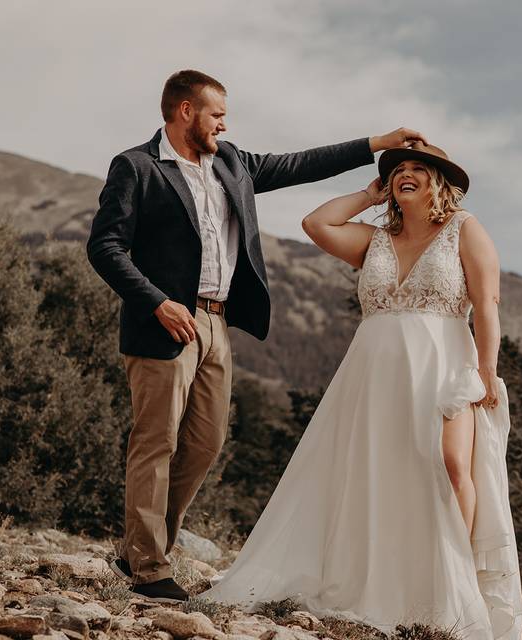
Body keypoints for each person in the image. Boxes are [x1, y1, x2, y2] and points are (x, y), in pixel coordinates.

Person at [86, 68, 427, 603]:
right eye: (217, 114)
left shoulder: (232, 163)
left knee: (205, 442)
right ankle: (149, 568)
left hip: (218, 324)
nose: (225, 123)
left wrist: (376, 144)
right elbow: (105, 247)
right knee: (156, 442)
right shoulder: (137, 167)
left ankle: (138, 549)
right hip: (165, 323)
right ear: (185, 113)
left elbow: (300, 164)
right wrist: (156, 302)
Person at [198, 142, 522, 640]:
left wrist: (486, 371)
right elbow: (316, 224)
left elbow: (488, 306)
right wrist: (366, 193)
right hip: (374, 368)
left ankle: (453, 583)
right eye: (397, 171)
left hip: (444, 362)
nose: (404, 175)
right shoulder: (374, 239)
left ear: (440, 181)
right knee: (378, 470)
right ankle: (385, 579)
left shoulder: (465, 228)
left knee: (451, 463)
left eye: (418, 168)